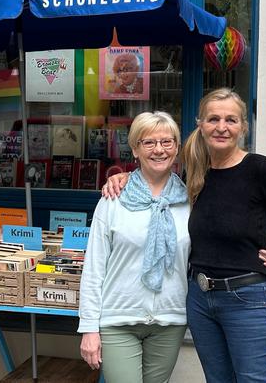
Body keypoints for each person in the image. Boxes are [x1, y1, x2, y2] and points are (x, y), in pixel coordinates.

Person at [102, 88, 266, 383]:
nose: (221, 127)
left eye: (231, 120)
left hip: (247, 299)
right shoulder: (195, 173)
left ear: (243, 127)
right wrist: (126, 177)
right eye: (213, 119)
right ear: (201, 125)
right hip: (200, 300)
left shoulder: (259, 169)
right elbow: (156, 177)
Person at [77, 111, 192, 383]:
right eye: (148, 142)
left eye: (167, 142)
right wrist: (89, 328)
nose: (159, 150)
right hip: (118, 319)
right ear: (135, 150)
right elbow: (94, 267)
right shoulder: (113, 199)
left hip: (170, 319)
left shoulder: (190, 200)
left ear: (177, 148)